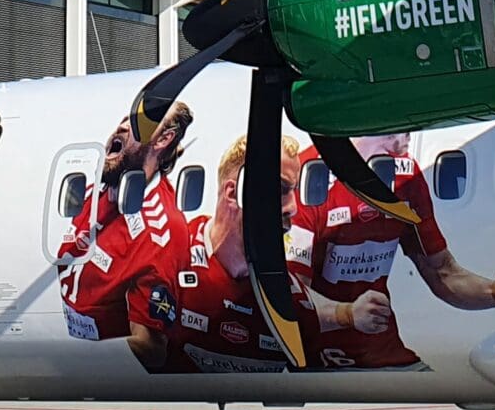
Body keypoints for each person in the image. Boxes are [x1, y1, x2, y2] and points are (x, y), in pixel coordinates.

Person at [289, 130, 495, 369]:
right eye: (397, 128)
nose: (407, 137)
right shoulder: (310, 176)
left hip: (384, 352)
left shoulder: (405, 176)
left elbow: (443, 274)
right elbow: (291, 292)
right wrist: (347, 314)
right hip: (317, 357)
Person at [127, 130, 313, 374]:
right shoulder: (168, 257)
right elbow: (147, 352)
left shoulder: (291, 297)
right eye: (279, 189)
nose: (293, 208)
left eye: (294, 191)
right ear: (232, 193)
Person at [57, 99, 192, 342]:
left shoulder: (162, 231)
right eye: (124, 118)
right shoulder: (95, 188)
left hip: (85, 368)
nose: (122, 126)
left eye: (137, 122)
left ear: (164, 139)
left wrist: (75, 359)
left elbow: (149, 347)